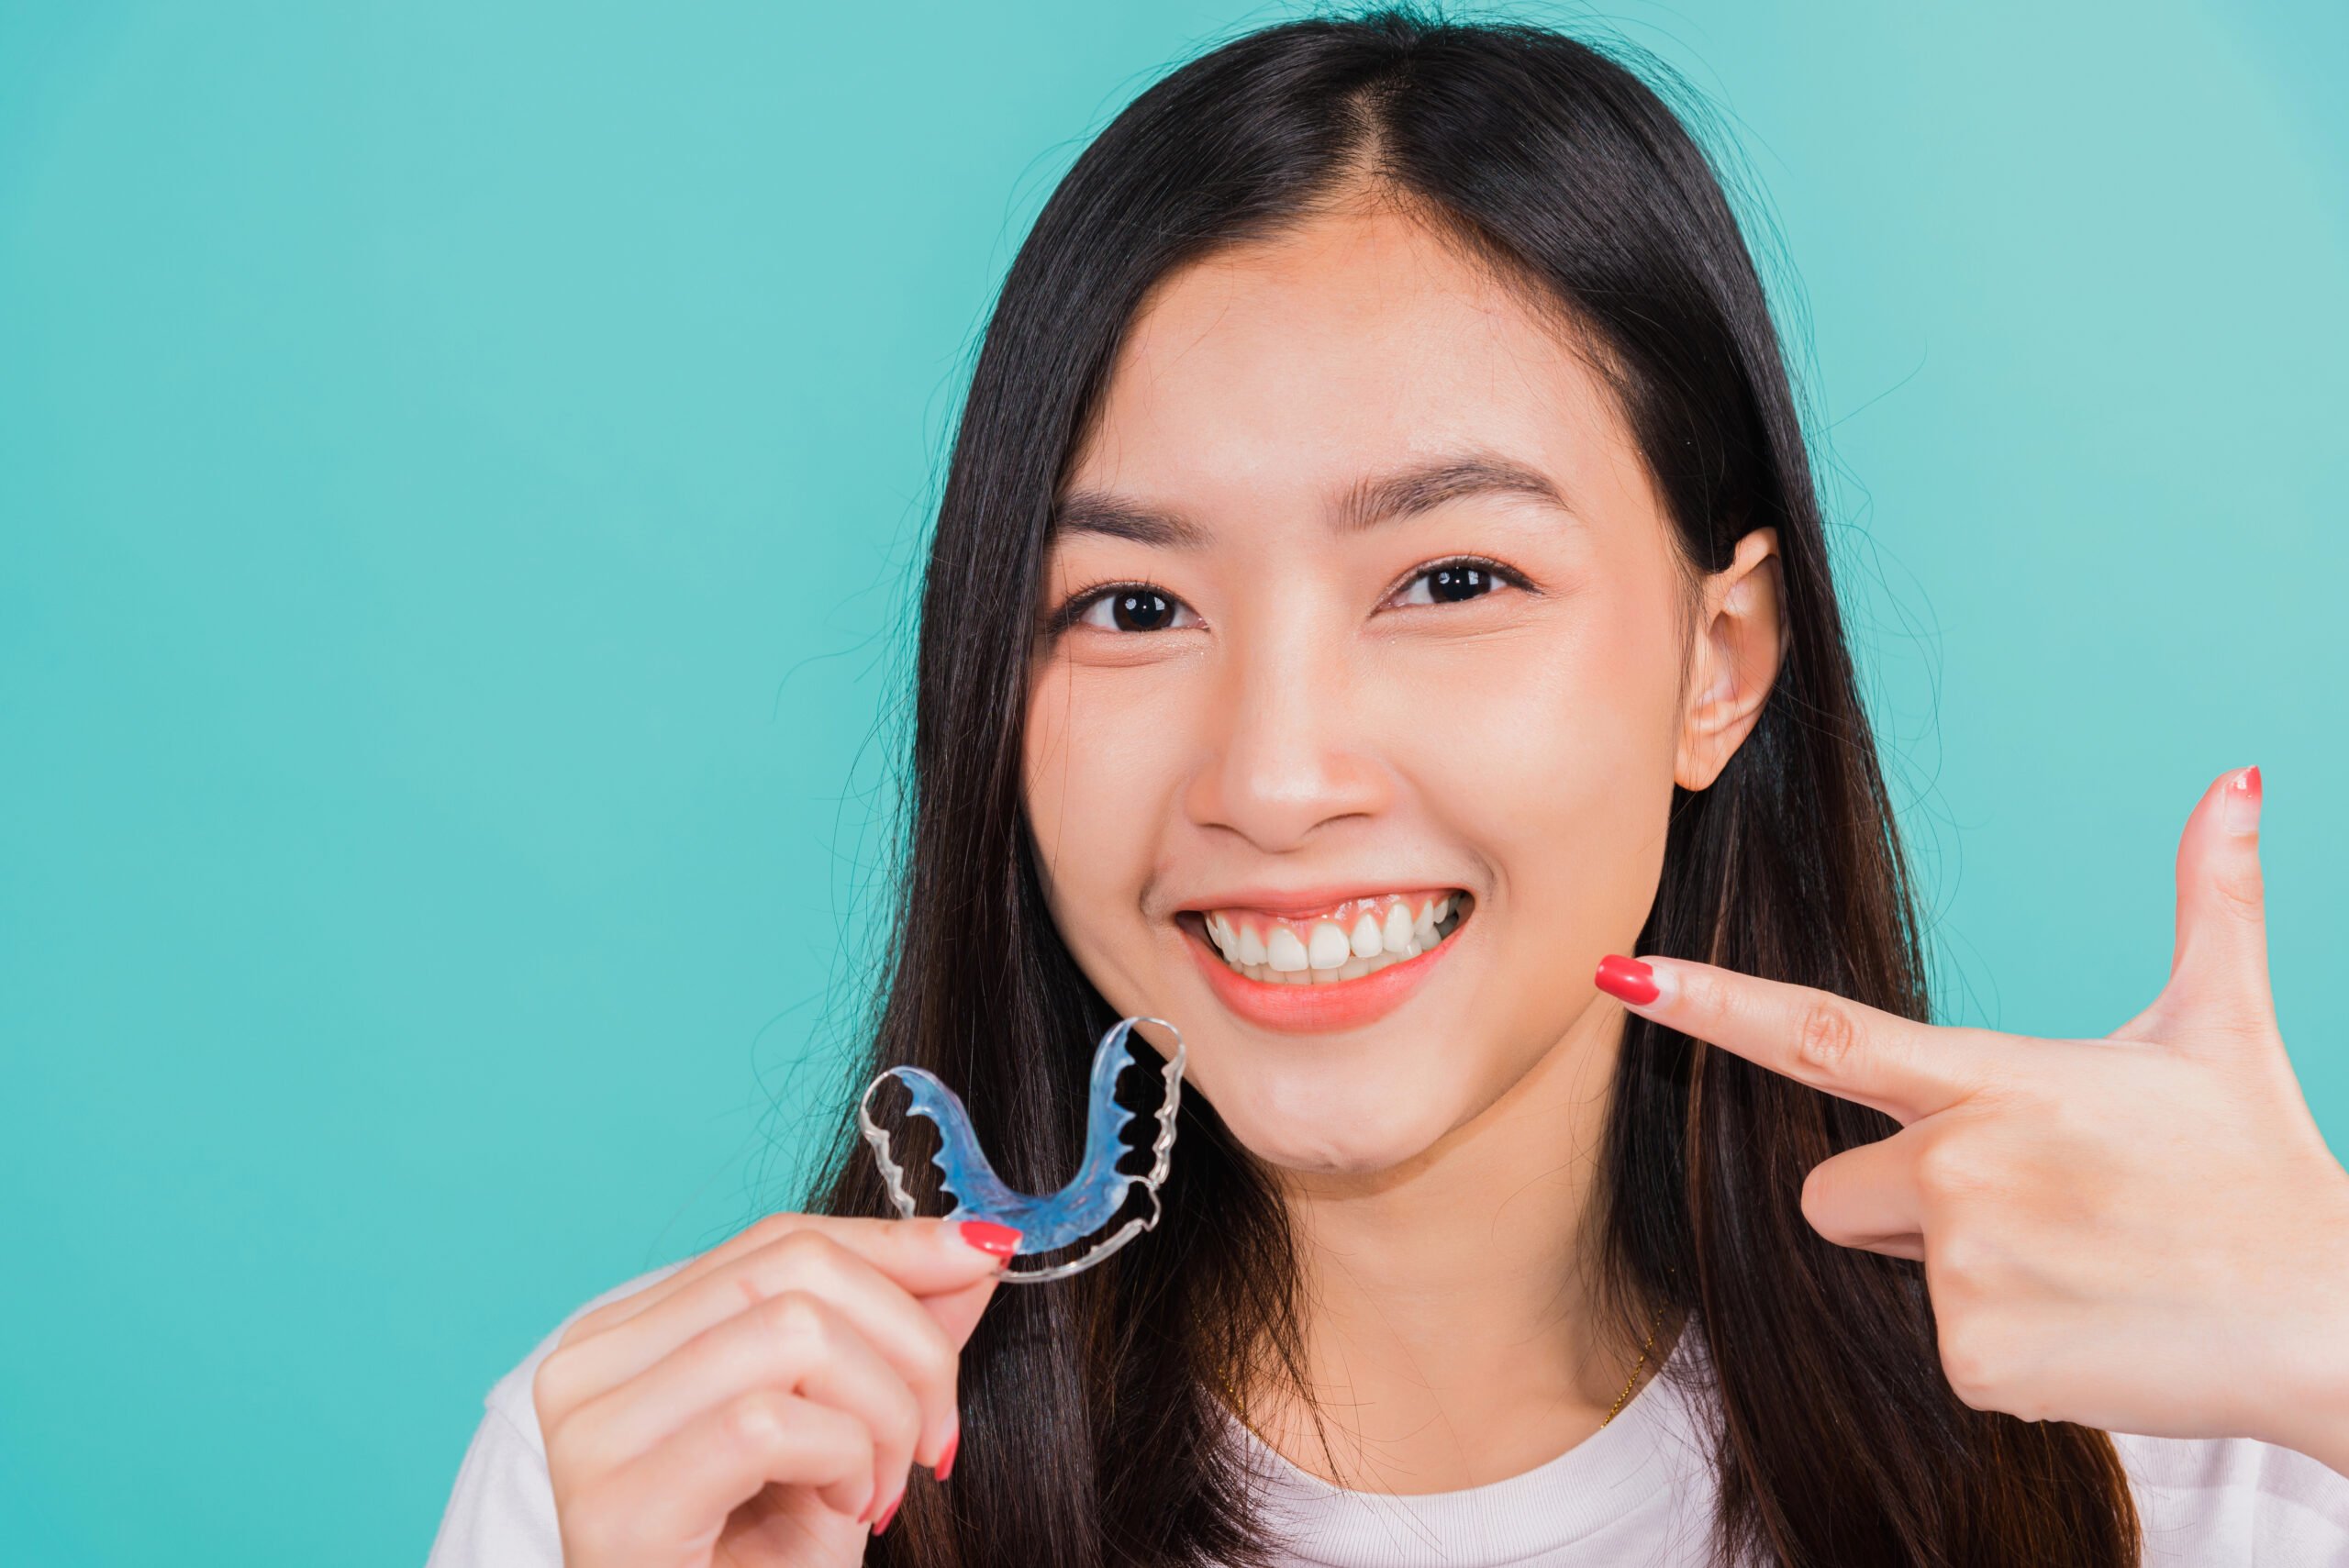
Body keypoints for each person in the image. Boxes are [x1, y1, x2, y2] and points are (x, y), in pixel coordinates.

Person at [428, 14, 2349, 1567]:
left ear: (1720, 661)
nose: (1270, 776)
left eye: (1449, 581)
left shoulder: (2195, 1462)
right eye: (1128, 604)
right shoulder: (672, 1484)